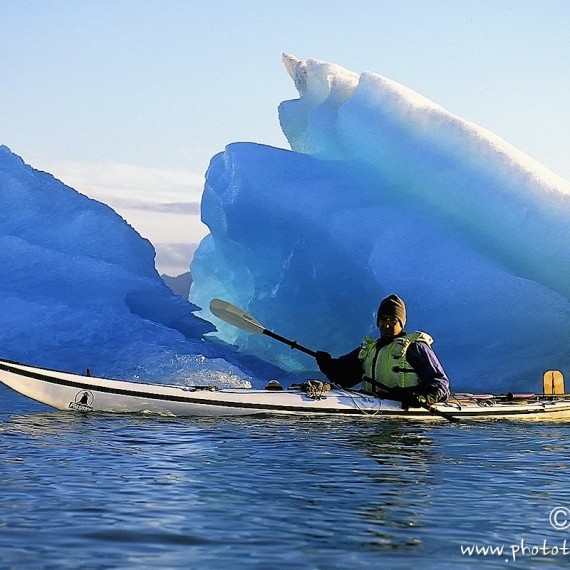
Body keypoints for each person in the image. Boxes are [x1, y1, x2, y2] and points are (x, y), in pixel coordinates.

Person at [315, 294, 450, 408]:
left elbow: (440, 383)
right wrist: (326, 363)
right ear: (378, 322)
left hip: (408, 419)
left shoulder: (415, 347)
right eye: (383, 319)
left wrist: (422, 398)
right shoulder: (369, 350)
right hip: (373, 409)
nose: (386, 325)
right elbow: (343, 378)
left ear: (401, 323)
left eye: (392, 320)